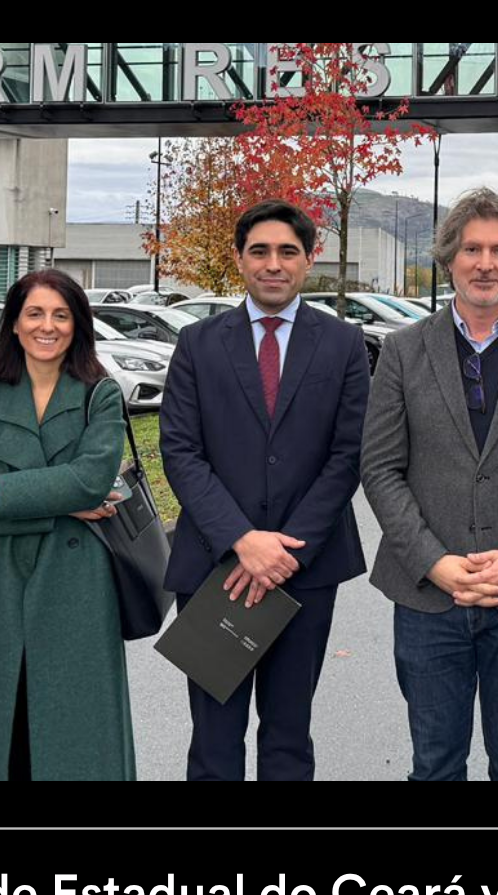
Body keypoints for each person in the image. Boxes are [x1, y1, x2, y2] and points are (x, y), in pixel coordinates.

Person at [361, 188, 498, 781]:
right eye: (472, 249)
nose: (485, 263)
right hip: (427, 596)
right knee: (435, 764)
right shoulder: (402, 351)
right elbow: (380, 467)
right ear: (449, 260)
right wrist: (433, 561)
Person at [158, 200, 370, 780]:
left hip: (306, 568)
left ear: (309, 259)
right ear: (238, 258)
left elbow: (348, 454)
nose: (273, 264)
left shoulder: (344, 343)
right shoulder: (198, 343)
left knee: (288, 736)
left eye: (287, 252)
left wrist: (285, 549)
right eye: (259, 251)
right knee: (214, 742)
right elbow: (180, 451)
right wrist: (242, 540)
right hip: (215, 567)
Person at [0, 269, 134, 780]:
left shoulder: (100, 394)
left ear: (78, 324)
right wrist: (61, 505)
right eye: (35, 313)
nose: (48, 326)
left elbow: (91, 479)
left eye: (61, 315)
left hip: (76, 586)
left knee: (74, 733)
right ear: (15, 324)